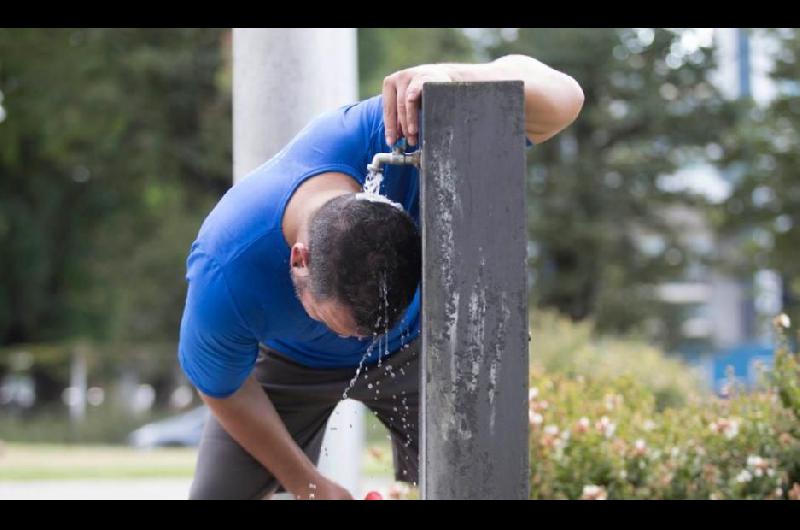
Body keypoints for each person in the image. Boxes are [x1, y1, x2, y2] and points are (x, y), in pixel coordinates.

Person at [179, 53, 584, 500]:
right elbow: (223, 387)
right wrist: (307, 483)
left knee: (486, 479)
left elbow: (566, 99)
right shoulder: (225, 268)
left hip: (413, 347)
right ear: (299, 260)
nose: (361, 344)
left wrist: (456, 78)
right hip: (292, 365)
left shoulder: (399, 132)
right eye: (343, 326)